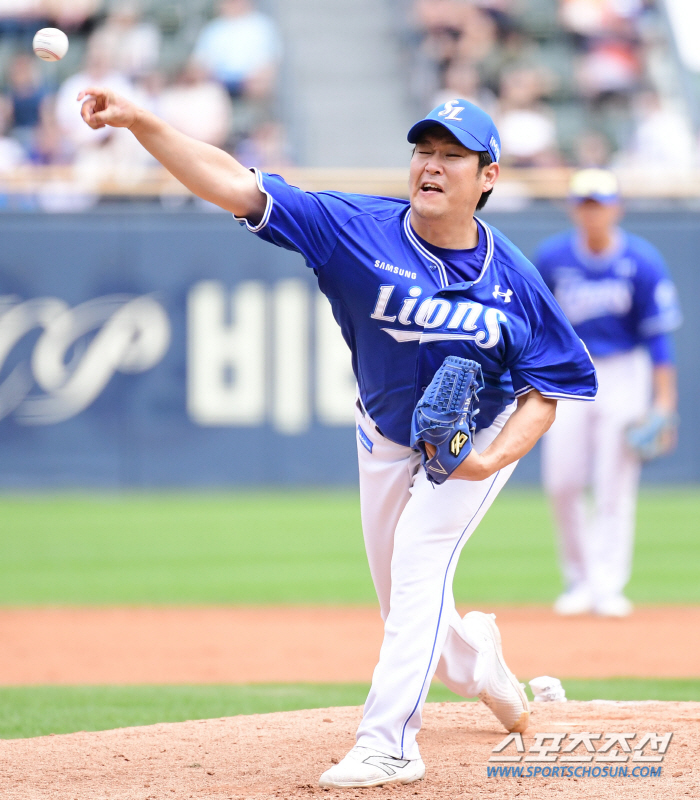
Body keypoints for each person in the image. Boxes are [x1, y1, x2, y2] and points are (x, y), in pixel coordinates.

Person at [77, 87, 597, 788]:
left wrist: (488, 459)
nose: (432, 166)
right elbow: (235, 183)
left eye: (453, 156)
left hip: (477, 433)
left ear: (489, 176)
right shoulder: (354, 228)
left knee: (420, 559)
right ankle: (483, 664)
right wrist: (142, 121)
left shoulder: (516, 283)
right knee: (407, 605)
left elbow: (552, 387)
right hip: (385, 432)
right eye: (424, 151)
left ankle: (390, 743)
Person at [534, 169, 682, 618]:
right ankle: (579, 580)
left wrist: (663, 403)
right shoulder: (554, 257)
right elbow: (538, 326)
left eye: (599, 203)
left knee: (615, 483)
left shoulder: (641, 260)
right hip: (570, 372)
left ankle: (608, 584)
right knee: (561, 481)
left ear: (616, 208)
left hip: (623, 371)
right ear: (573, 208)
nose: (592, 212)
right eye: (584, 203)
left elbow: (657, 339)